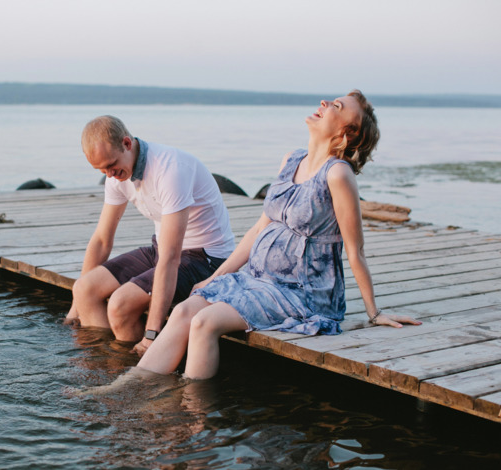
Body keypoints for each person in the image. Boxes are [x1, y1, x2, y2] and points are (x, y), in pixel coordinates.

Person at [135, 90, 422, 380]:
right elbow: (260, 228)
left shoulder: (337, 175)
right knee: (185, 310)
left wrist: (374, 312)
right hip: (259, 279)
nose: (324, 103)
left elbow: (355, 250)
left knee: (204, 323)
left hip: (301, 292)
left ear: (348, 133)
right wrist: (215, 277)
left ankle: (191, 412)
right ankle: (131, 385)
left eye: (337, 106)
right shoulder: (291, 159)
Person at [64, 115, 236, 356]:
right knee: (84, 289)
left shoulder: (170, 170)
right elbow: (102, 239)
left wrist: (151, 335)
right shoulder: (116, 173)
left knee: (120, 305)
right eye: (101, 170)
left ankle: (135, 372)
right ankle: (103, 366)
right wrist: (76, 307)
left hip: (205, 258)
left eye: (111, 165)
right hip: (162, 248)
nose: (109, 174)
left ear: (126, 143)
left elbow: (171, 259)